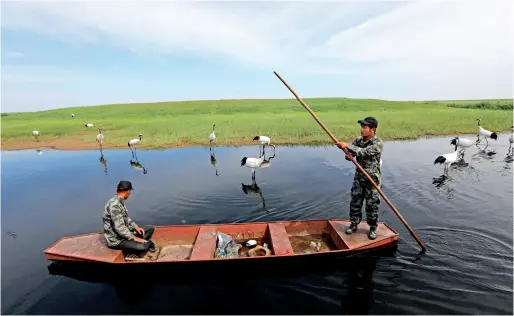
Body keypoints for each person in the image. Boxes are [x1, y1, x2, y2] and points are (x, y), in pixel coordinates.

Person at [336, 117, 383, 240]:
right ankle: (354, 224)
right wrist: (348, 154)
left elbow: (363, 152)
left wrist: (347, 146)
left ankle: (372, 228)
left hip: (372, 179)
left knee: (372, 205)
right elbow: (351, 153)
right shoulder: (358, 140)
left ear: (373, 129)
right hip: (359, 177)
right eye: (361, 127)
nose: (362, 130)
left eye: (365, 127)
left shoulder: (377, 143)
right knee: (355, 202)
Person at [103, 180, 157, 253]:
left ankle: (138, 242)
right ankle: (143, 243)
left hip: (125, 234)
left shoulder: (119, 201)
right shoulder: (114, 205)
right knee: (143, 246)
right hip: (117, 239)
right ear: (128, 191)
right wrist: (134, 238)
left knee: (150, 228)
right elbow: (119, 228)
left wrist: (135, 227)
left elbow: (126, 218)